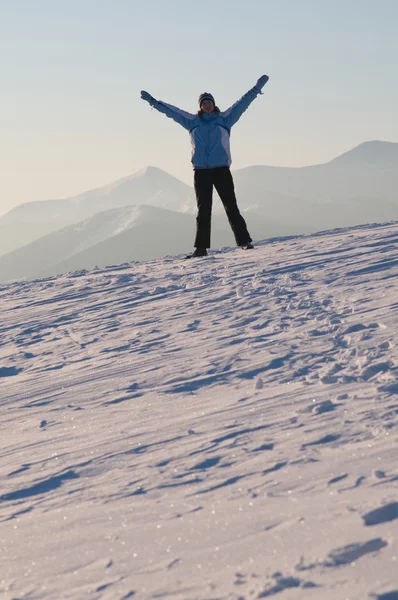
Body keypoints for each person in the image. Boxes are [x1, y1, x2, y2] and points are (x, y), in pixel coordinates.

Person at [141, 74, 269, 258]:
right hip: (201, 171)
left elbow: (242, 103)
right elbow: (172, 111)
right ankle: (201, 248)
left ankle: (244, 241)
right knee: (203, 210)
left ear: (213, 104)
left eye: (209, 102)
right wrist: (153, 102)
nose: (207, 105)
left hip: (221, 170)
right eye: (204, 103)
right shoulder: (192, 122)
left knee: (231, 206)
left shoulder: (225, 119)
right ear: (200, 106)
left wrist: (256, 89)